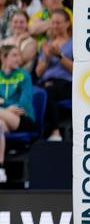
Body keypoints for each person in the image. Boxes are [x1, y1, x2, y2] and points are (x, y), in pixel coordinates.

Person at [35, 9, 73, 141]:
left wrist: (59, 55)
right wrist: (46, 57)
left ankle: (55, 131)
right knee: (37, 91)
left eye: (58, 23)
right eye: (53, 23)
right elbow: (38, 72)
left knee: (48, 91)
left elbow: (76, 70)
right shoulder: (47, 44)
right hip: (46, 81)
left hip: (66, 84)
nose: (55, 26)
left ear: (68, 24)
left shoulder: (74, 43)